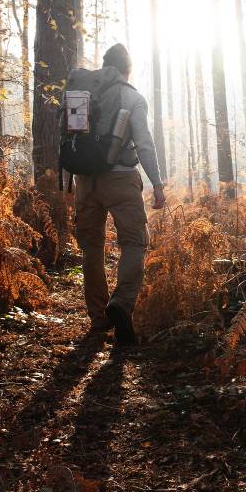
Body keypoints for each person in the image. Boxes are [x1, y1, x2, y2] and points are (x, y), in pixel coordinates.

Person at [73, 43, 166, 344]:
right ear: (128, 69)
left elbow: (70, 137)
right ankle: (122, 304)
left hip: (85, 180)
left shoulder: (84, 91)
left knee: (92, 248)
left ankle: (99, 318)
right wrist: (157, 184)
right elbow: (144, 143)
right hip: (122, 179)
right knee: (134, 242)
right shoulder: (132, 96)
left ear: (104, 65)